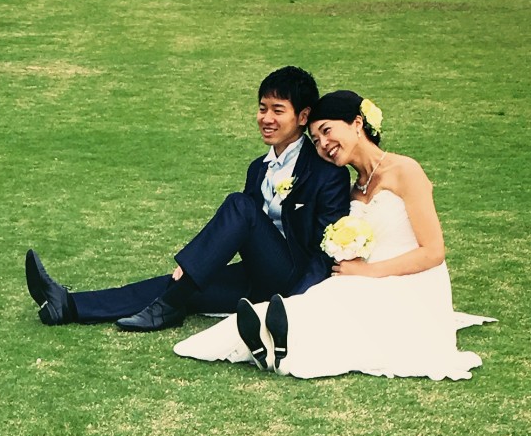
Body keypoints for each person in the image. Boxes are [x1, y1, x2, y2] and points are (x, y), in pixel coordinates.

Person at [174, 90, 492, 380]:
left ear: (357, 123)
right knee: (321, 299)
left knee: (337, 308)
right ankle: (269, 342)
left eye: (327, 131)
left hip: (411, 279)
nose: (323, 144)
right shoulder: (353, 188)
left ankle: (278, 344)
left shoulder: (405, 171)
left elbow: (433, 252)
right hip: (361, 276)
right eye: (315, 140)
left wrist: (367, 272)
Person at [25, 66, 349, 332]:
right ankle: (68, 305)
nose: (266, 118)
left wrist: (298, 302)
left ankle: (170, 304)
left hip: (292, 280)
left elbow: (322, 252)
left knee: (239, 206)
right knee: (178, 285)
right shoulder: (258, 168)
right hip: (255, 278)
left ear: (303, 116)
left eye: (278, 110)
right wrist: (198, 268)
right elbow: (243, 235)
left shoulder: (327, 174)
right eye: (262, 108)